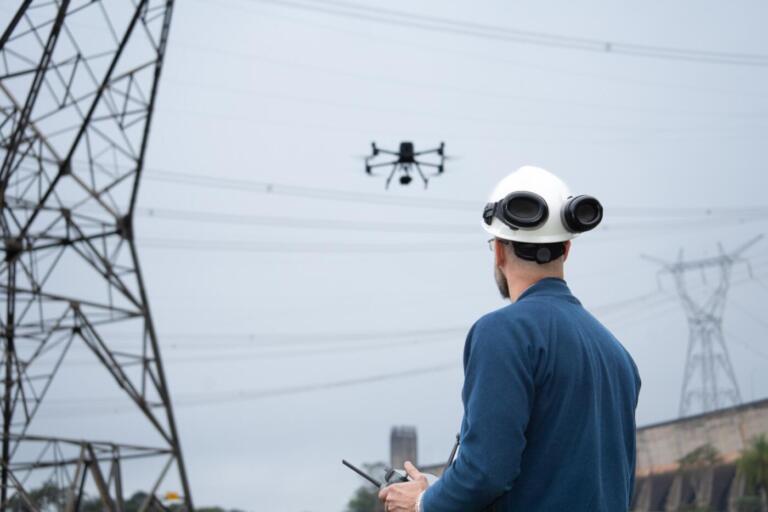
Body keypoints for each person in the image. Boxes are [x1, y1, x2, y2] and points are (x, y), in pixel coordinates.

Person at [378, 166, 641, 512]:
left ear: (499, 250)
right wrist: (442, 490)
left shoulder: (502, 333)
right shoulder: (617, 355)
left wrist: (424, 502)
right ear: (566, 249)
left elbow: (486, 472)